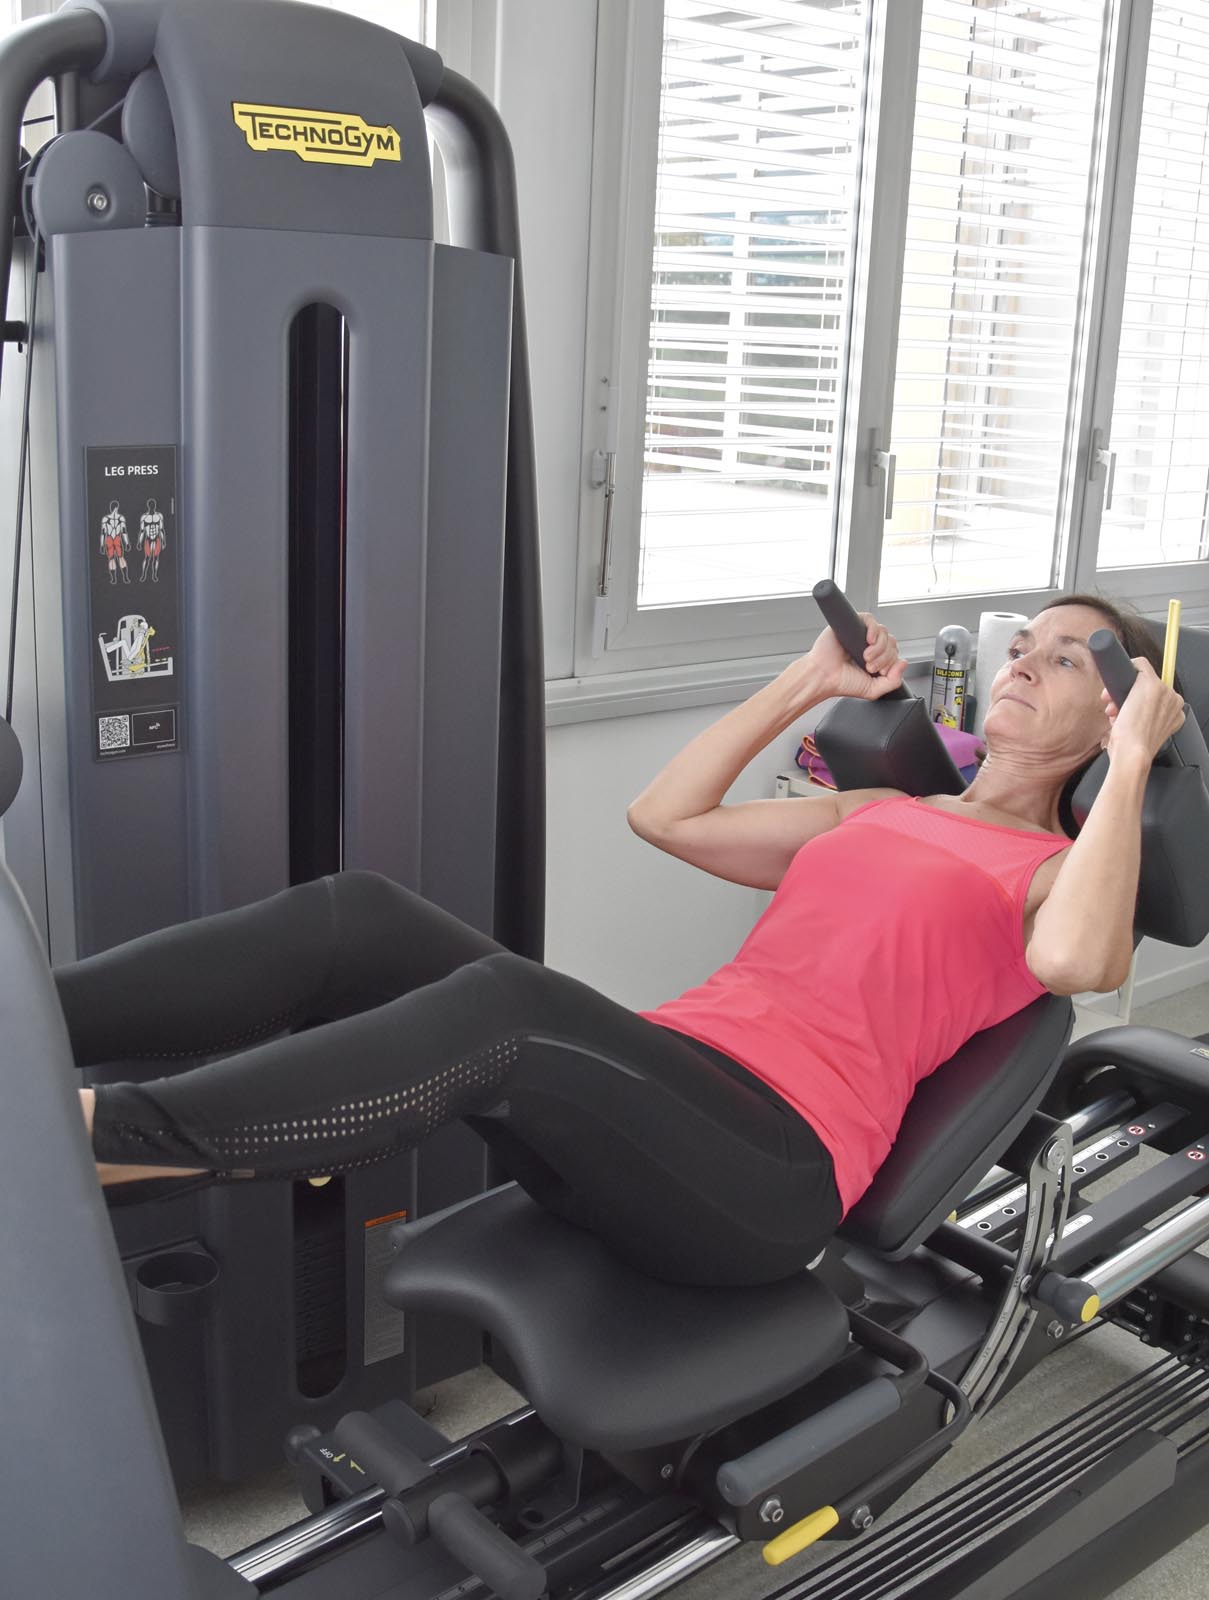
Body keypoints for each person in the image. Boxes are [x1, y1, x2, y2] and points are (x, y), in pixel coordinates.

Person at [68, 593, 1186, 1288]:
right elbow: (666, 817)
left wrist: (1135, 761)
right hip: (660, 1094)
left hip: (767, 1168)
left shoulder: (1055, 874)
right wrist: (808, 680)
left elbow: (1077, 966)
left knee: (510, 1006)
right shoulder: (881, 808)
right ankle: (39, 1015)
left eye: (1067, 660)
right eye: (1022, 644)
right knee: (361, 915)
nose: (1022, 662)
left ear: (1111, 713)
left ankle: (97, 1138)